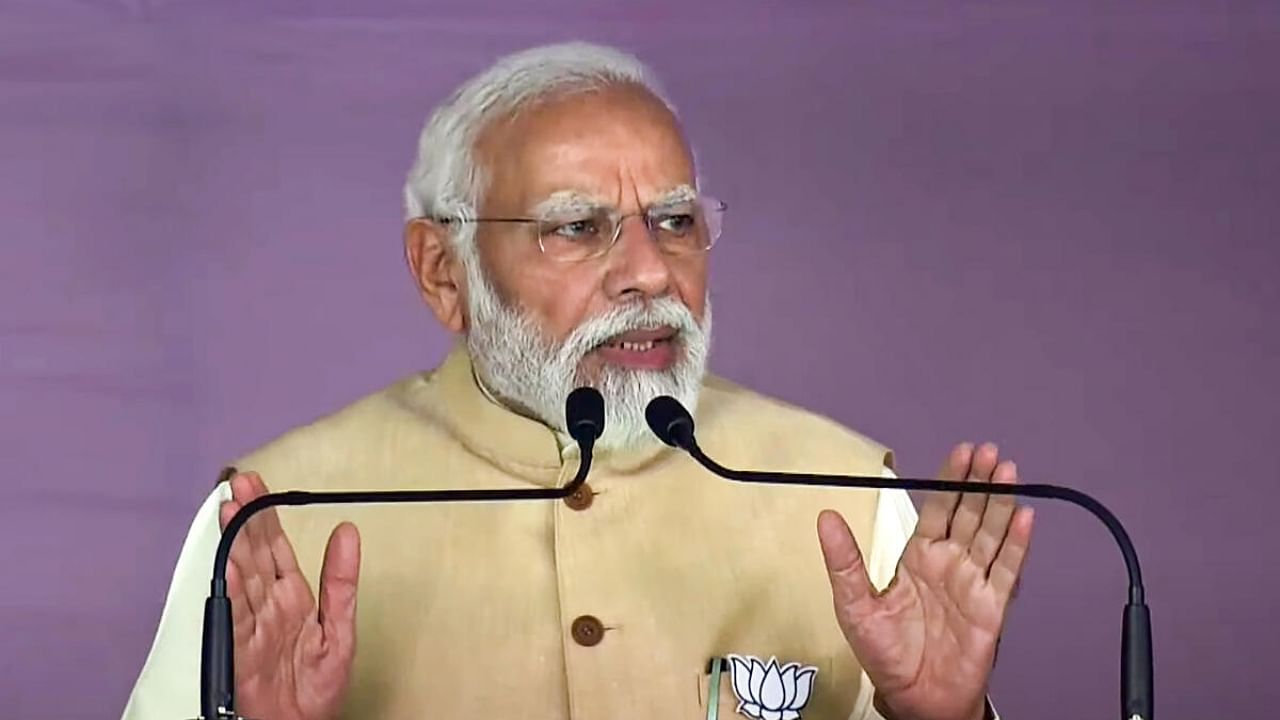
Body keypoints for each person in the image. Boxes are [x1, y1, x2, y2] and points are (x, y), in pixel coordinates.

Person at [121, 42, 1032, 720]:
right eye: (576, 228)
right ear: (445, 272)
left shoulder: (845, 494)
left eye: (674, 220)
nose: (649, 271)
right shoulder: (273, 518)